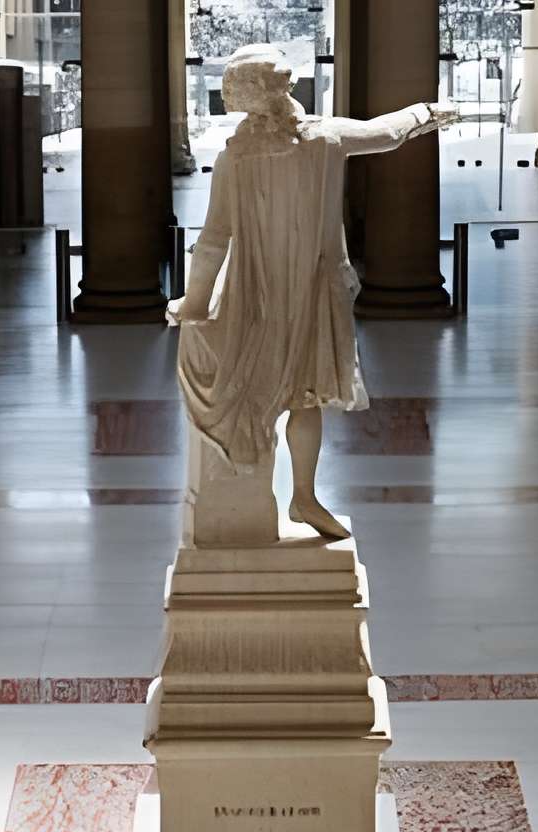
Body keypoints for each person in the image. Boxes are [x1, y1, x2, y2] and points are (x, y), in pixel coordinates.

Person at [172, 45, 454, 542]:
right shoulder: (324, 137)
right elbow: (386, 133)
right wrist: (428, 112)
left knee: (282, 390)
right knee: (306, 393)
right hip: (309, 287)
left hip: (260, 293)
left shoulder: (237, 157)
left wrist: (194, 302)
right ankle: (301, 495)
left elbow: (214, 238)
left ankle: (296, 497)